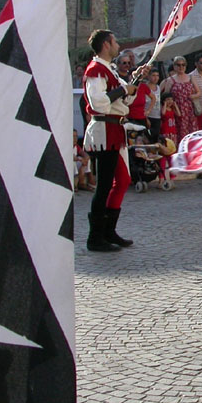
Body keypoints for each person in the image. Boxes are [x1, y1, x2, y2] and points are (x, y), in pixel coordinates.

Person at [82, 29, 149, 252]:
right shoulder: (96, 70)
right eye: (114, 41)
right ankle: (95, 237)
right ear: (106, 45)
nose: (118, 45)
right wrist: (123, 89)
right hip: (104, 130)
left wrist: (135, 80)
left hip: (115, 129)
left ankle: (108, 231)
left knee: (122, 180)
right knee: (104, 185)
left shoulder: (108, 69)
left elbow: (126, 99)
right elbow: (99, 102)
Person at [162, 56, 200, 142]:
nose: (181, 67)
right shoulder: (170, 80)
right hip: (177, 110)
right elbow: (165, 96)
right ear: (174, 66)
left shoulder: (190, 77)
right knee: (179, 132)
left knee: (192, 132)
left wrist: (193, 96)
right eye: (178, 65)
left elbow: (199, 92)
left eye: (183, 65)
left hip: (190, 109)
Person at [145, 70, 162, 140]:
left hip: (157, 116)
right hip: (148, 116)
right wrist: (145, 118)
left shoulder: (158, 87)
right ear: (148, 76)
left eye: (157, 76)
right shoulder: (145, 87)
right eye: (153, 75)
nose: (156, 78)